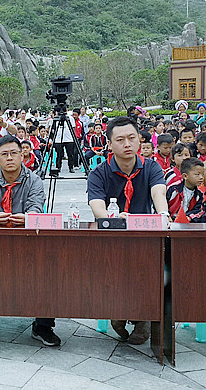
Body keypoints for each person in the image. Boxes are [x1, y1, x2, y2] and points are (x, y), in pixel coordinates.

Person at [0, 135, 60, 346]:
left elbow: (36, 207)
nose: (9, 158)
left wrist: (28, 217)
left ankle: (43, 326)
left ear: (22, 155)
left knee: (47, 268)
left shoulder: (34, 180)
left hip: (27, 239)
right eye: (4, 154)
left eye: (14, 153)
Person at [87, 117, 168, 345]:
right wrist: (113, 220)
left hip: (144, 237)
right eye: (120, 140)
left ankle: (144, 318)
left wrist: (163, 214)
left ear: (139, 140)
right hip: (111, 238)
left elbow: (158, 194)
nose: (127, 144)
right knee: (111, 271)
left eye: (132, 138)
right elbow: (96, 206)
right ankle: (117, 310)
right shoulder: (99, 173)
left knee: (150, 268)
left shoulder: (151, 167)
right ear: (110, 144)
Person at [166, 158, 205, 223]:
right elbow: (163, 203)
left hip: (187, 223)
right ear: (185, 176)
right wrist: (167, 216)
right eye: (197, 174)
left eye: (202, 174)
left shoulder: (199, 194)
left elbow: (198, 211)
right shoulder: (173, 189)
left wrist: (189, 217)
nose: (201, 177)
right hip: (169, 221)